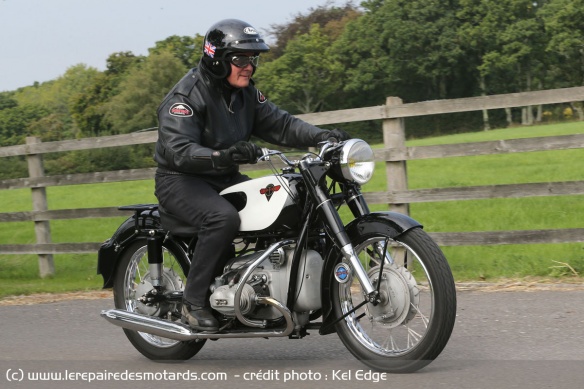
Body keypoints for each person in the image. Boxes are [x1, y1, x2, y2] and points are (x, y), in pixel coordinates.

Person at [154, 19, 349, 332]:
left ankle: (262, 290)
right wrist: (222, 156)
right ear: (217, 60)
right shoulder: (186, 98)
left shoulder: (244, 95)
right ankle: (193, 301)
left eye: (253, 60)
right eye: (240, 60)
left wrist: (322, 136)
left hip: (223, 175)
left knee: (285, 205)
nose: (249, 67)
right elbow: (179, 150)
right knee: (222, 219)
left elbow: (282, 125)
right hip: (181, 179)